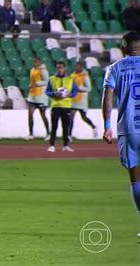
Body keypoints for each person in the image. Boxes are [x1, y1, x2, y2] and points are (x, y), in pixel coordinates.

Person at [102, 31, 140, 236]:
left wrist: (107, 125)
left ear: (123, 48)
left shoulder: (114, 69)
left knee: (136, 178)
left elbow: (107, 99)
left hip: (128, 128)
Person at [45, 61, 78, 152]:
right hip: (55, 106)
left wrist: (69, 95)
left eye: (61, 67)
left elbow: (75, 91)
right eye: (58, 67)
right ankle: (52, 145)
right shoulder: (51, 79)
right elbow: (47, 91)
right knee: (54, 126)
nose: (59, 69)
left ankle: (66, 146)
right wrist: (53, 93)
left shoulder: (70, 79)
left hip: (66, 106)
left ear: (64, 68)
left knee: (65, 127)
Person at [69, 61, 97, 141]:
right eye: (75, 66)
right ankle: (69, 135)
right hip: (73, 99)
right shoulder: (72, 75)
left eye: (77, 66)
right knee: (71, 116)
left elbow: (89, 88)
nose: (76, 68)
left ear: (81, 67)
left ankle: (93, 127)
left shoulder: (85, 76)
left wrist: (80, 88)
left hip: (82, 100)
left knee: (83, 117)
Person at [26, 57, 50, 140]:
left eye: (36, 61)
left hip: (41, 97)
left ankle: (48, 133)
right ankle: (31, 134)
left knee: (43, 116)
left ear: (39, 62)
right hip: (32, 96)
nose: (34, 62)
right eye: (34, 61)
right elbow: (32, 82)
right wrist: (30, 87)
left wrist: (37, 83)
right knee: (30, 115)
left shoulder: (43, 70)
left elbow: (47, 81)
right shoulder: (32, 70)